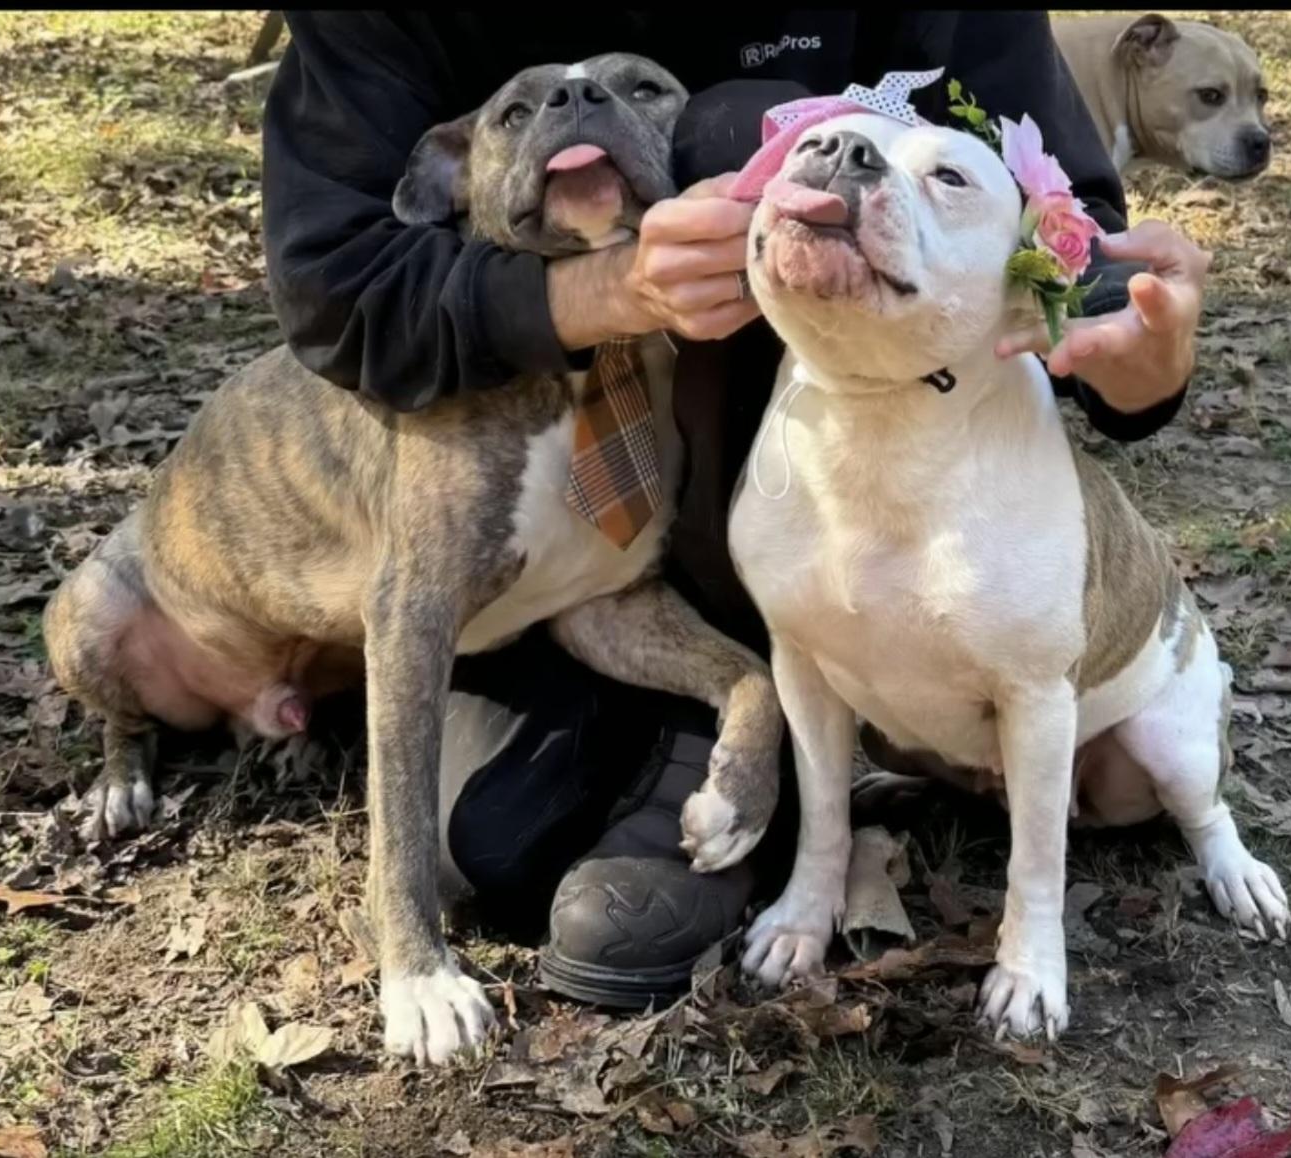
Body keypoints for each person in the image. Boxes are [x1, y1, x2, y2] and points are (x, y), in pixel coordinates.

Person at [261, 12, 1210, 1008]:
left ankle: (768, 720)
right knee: (487, 846)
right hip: (523, 483)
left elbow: (1072, 229)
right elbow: (336, 285)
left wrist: (1135, 352)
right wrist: (604, 292)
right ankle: (704, 700)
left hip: (837, 461)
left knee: (738, 132)